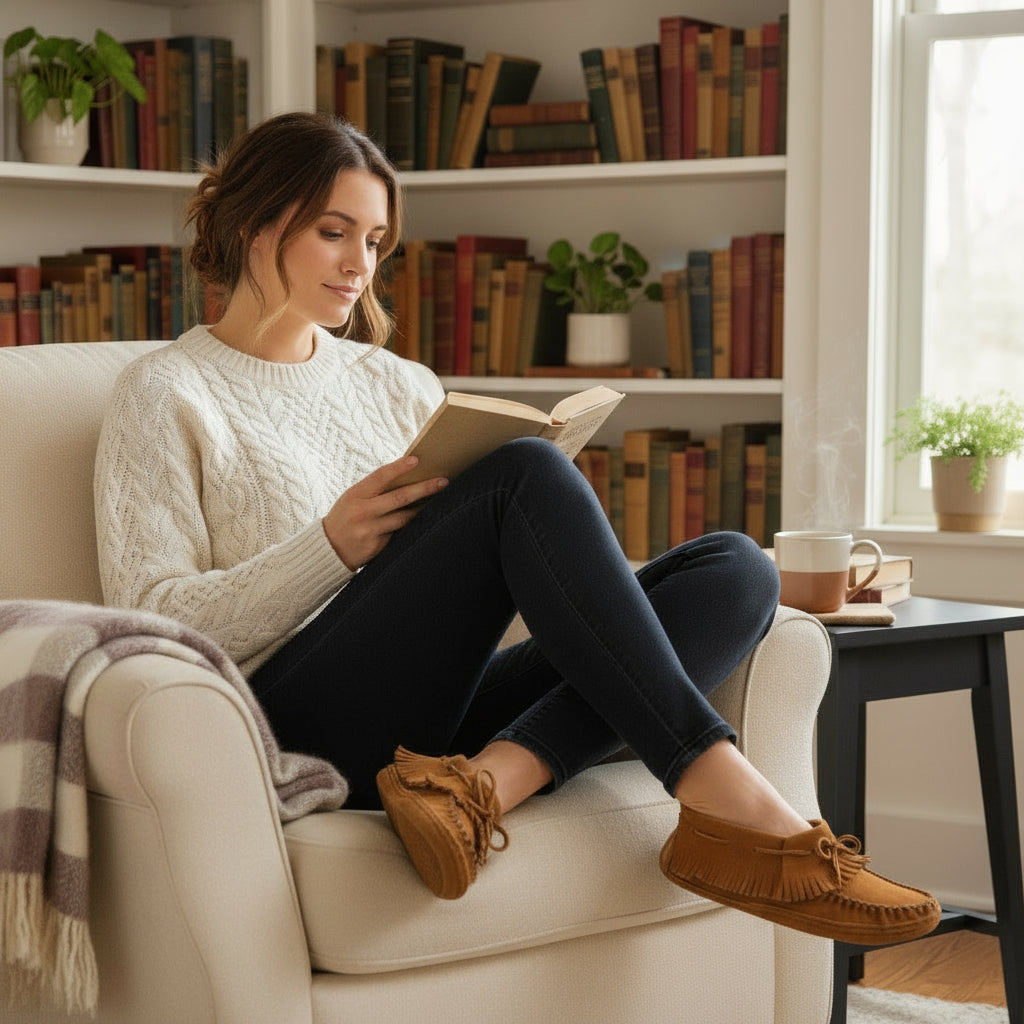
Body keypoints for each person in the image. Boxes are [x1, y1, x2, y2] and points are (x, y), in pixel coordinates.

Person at [94, 111, 939, 945]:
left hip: (428, 719)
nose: (360, 266)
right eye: (333, 232)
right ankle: (735, 806)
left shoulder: (396, 382)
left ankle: (480, 788)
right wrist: (329, 547)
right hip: (283, 722)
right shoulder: (165, 392)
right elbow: (153, 628)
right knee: (527, 477)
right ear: (254, 223)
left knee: (736, 570)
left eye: (377, 241)